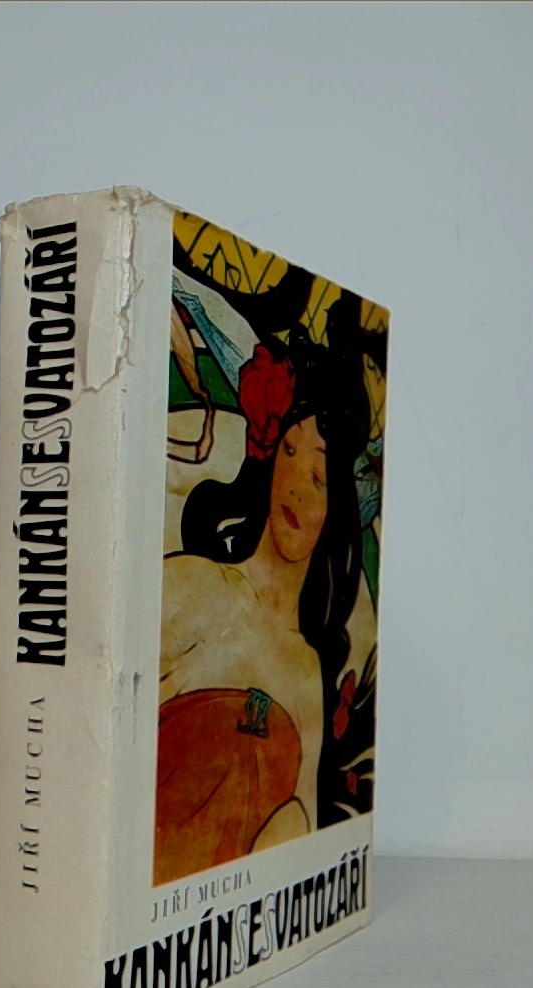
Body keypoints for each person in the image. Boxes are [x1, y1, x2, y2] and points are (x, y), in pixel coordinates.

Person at [154, 319, 371, 886]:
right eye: (289, 453)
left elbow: (299, 833)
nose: (296, 485)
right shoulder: (193, 585)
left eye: (319, 476)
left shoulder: (306, 668)